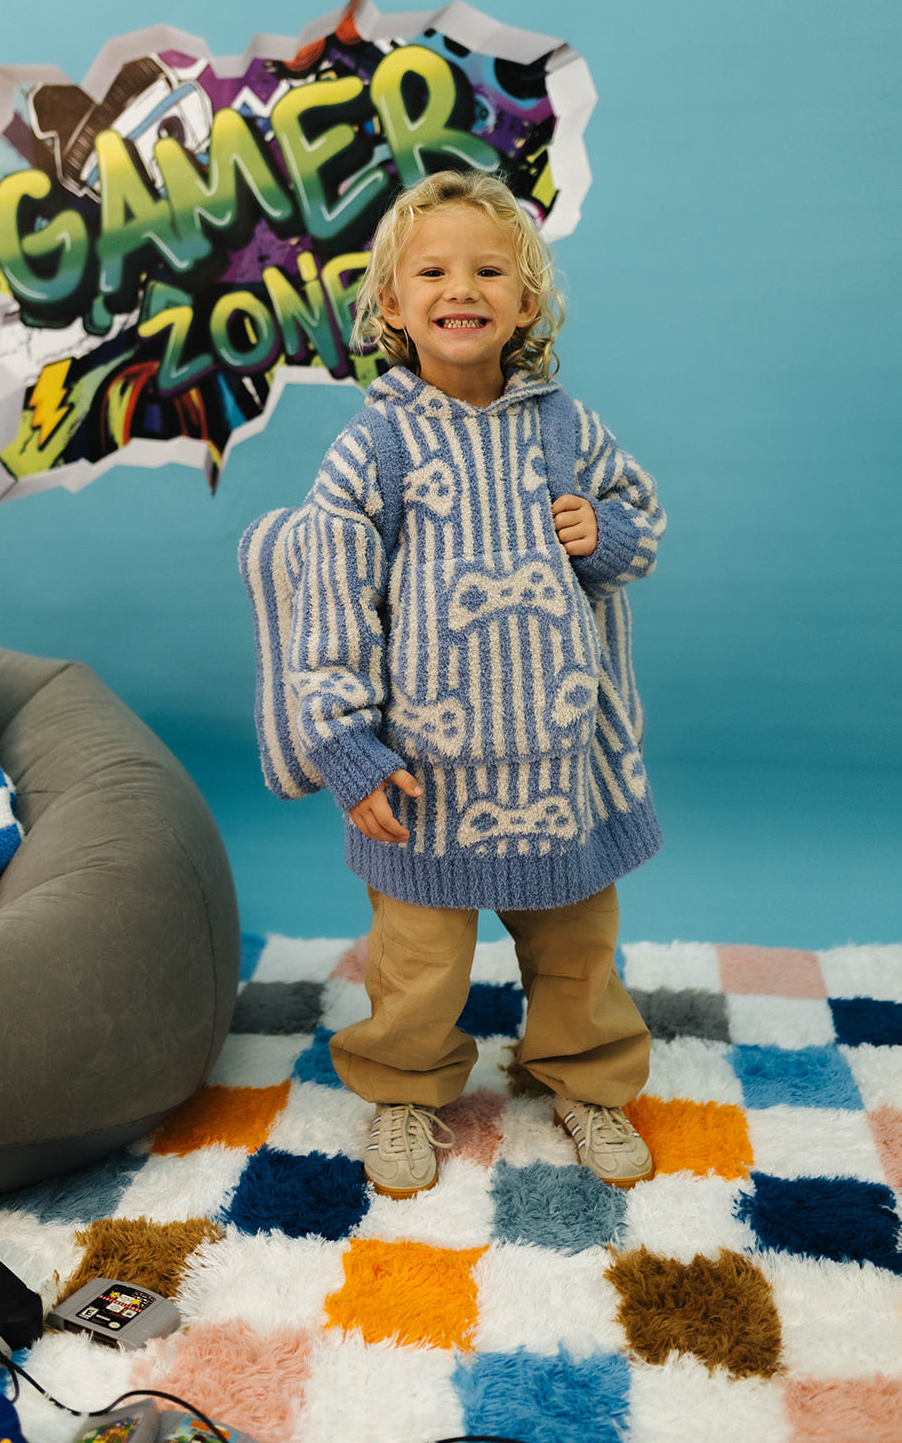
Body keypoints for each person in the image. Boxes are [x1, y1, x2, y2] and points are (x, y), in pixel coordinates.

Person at [286, 169, 665, 1197]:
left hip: (559, 759)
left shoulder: (561, 430)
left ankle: (582, 1073)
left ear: (525, 303)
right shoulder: (377, 444)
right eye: (434, 271)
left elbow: (642, 522)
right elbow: (327, 593)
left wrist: (607, 532)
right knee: (416, 961)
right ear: (393, 307)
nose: (463, 287)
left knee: (578, 942)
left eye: (488, 269)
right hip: (427, 773)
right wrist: (346, 745)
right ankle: (406, 1087)